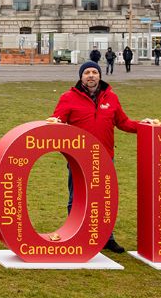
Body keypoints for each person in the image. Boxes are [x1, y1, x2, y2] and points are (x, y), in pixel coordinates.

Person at [47, 60, 150, 254]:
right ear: (81, 77)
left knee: (104, 199)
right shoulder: (68, 97)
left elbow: (123, 122)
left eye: (95, 72)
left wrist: (142, 125)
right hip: (78, 157)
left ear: (100, 75)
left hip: (104, 157)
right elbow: (58, 121)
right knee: (76, 197)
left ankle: (107, 238)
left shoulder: (111, 98)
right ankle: (75, 234)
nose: (91, 76)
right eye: (87, 73)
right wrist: (55, 123)